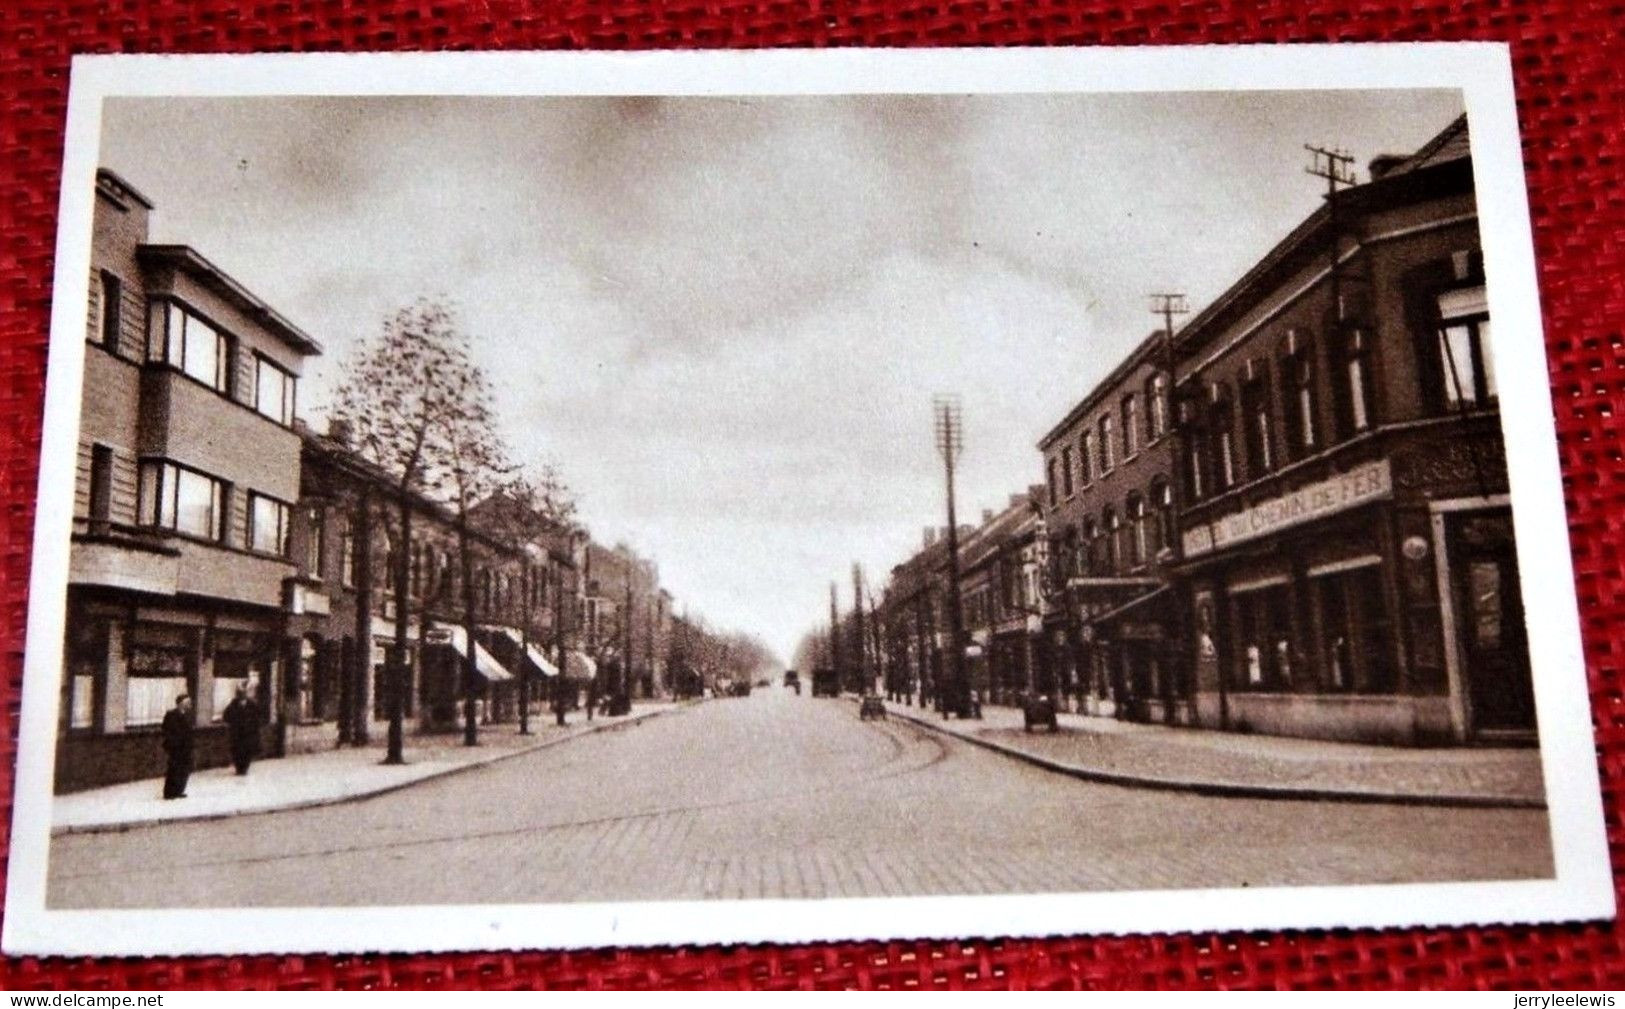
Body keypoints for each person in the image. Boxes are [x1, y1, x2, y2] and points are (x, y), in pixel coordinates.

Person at [161, 693, 194, 799]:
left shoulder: (187, 715)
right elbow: (166, 729)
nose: (190, 704)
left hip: (186, 748)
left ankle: (179, 790)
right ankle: (169, 792)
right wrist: (173, 743)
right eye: (187, 702)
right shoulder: (171, 714)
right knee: (174, 769)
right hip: (176, 748)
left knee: (184, 770)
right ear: (180, 703)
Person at [222, 684, 260, 775]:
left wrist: (254, 729)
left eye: (243, 693)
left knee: (247, 751)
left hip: (248, 734)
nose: (241, 695)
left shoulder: (252, 705)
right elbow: (226, 716)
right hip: (236, 734)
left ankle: (244, 768)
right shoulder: (233, 705)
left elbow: (257, 718)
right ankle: (239, 768)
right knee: (237, 751)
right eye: (239, 693)